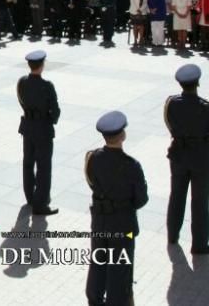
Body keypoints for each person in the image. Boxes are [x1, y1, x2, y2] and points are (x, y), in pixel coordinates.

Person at [85, 111, 148, 306]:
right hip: (123, 225)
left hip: (100, 221)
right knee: (120, 266)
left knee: (98, 262)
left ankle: (95, 299)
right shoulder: (132, 166)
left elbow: (92, 182)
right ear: (123, 136)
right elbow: (141, 200)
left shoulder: (93, 158)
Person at [164, 64, 209, 255]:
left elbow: (170, 124)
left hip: (179, 154)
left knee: (176, 196)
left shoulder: (172, 102)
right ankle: (199, 244)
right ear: (197, 83)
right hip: (201, 158)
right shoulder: (205, 106)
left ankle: (172, 236)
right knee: (200, 202)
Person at [16, 50, 60, 216]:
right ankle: (40, 203)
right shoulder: (47, 86)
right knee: (43, 166)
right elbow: (55, 111)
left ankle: (30, 196)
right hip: (43, 128)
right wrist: (51, 119)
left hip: (28, 126)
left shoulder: (22, 82)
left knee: (28, 162)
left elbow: (22, 100)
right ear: (41, 66)